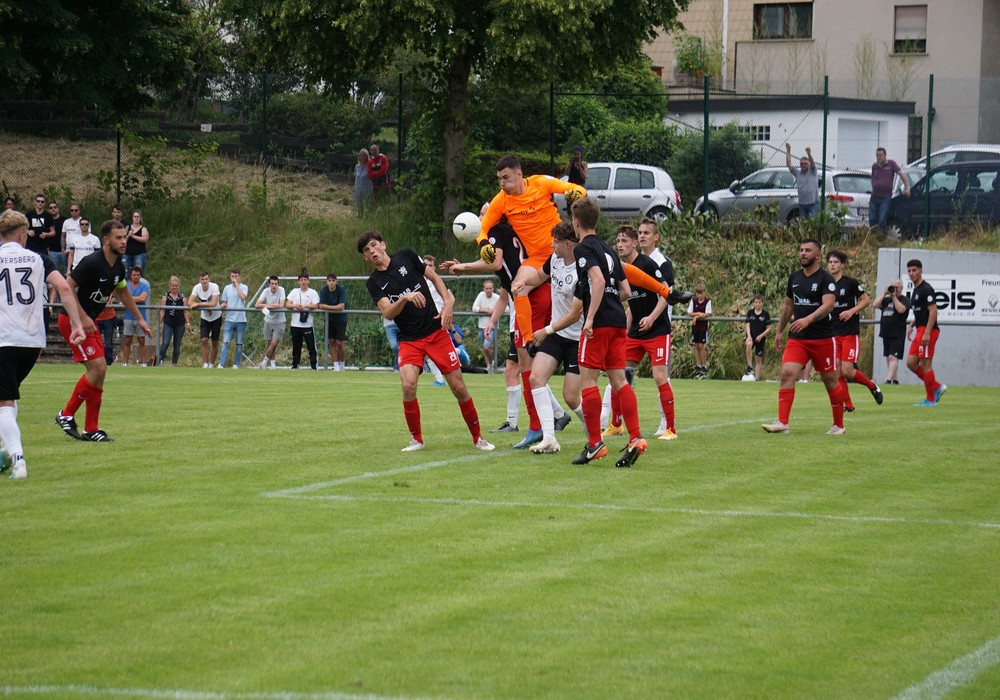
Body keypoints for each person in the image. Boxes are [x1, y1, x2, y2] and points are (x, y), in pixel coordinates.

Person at [357, 230, 494, 452]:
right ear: (364, 257)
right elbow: (388, 312)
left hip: (435, 332)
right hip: (409, 339)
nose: (372, 251)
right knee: (408, 385)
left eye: (374, 245)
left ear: (383, 245)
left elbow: (435, 278)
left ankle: (478, 438)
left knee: (459, 387)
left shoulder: (406, 256)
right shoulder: (374, 282)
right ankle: (417, 440)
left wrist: (447, 304)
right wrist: (405, 298)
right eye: (366, 250)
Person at [1, 211, 86, 478]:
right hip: (32, 341)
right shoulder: (39, 259)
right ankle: (6, 451)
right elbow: (64, 288)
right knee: (8, 396)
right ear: (22, 234)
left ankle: (18, 460)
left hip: (4, 338)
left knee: (4, 401)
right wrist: (77, 324)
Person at [55, 219, 151, 442]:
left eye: (124, 237)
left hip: (88, 322)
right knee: (97, 367)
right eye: (118, 238)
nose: (123, 241)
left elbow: (123, 293)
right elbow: (67, 287)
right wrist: (83, 318)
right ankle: (66, 414)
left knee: (100, 372)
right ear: (106, 240)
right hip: (72, 321)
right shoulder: (92, 262)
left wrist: (140, 318)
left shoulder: (119, 267)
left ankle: (91, 428)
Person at [476, 154, 587, 346]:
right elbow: (482, 229)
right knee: (517, 287)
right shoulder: (501, 200)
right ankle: (529, 341)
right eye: (499, 179)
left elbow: (577, 189)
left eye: (506, 178)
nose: (502, 183)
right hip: (538, 257)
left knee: (599, 275)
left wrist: (576, 194)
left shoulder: (540, 182)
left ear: (519, 174)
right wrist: (484, 244)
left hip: (563, 247)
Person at [571, 197, 647, 467]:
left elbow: (599, 280)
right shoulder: (609, 250)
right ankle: (636, 437)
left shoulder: (583, 248)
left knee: (588, 380)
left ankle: (595, 444)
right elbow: (626, 291)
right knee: (619, 381)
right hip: (616, 321)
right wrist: (610, 303)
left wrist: (590, 316)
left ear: (576, 222)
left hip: (600, 323)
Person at [762, 239, 845, 435]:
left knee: (831, 381)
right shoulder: (794, 277)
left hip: (823, 338)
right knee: (787, 373)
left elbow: (828, 306)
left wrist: (807, 320)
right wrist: (779, 331)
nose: (803, 253)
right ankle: (782, 423)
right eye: (801, 250)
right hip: (798, 338)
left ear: (817, 255)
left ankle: (839, 425)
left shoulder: (826, 279)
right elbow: (788, 305)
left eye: (808, 250)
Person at [519, 221, 588, 454]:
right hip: (557, 334)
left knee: (571, 396)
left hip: (577, 338)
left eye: (555, 242)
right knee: (536, 378)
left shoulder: (582, 271)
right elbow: (539, 277)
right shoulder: (555, 259)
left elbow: (574, 315)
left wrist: (546, 330)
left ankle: (593, 433)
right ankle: (549, 438)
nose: (552, 246)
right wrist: (522, 283)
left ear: (568, 244)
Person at [615, 224, 678, 441]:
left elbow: (666, 293)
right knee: (619, 373)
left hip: (657, 329)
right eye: (618, 241)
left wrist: (651, 317)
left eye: (624, 241)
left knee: (659, 376)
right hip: (636, 332)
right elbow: (629, 299)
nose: (620, 245)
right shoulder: (621, 269)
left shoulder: (648, 264)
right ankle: (616, 425)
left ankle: (670, 428)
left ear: (634, 244)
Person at [826, 249, 883, 411]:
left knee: (847, 371)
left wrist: (851, 311)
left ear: (842, 265)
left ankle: (871, 385)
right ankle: (849, 406)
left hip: (849, 332)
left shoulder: (850, 283)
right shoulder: (826, 285)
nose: (832, 265)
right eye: (830, 262)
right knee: (837, 372)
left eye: (836, 262)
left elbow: (865, 300)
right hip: (833, 333)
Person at [905, 259, 946, 406]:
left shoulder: (926, 289)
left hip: (928, 330)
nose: (911, 273)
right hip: (920, 329)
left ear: (921, 271)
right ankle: (936, 386)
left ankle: (930, 399)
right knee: (911, 363)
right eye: (909, 271)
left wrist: (927, 332)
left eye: (914, 270)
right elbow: (922, 312)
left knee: (926, 364)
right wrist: (912, 324)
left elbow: (933, 311)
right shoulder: (916, 290)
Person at [874, 278, 909, 384]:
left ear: (901, 288)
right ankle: (895, 380)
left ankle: (888, 380)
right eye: (892, 287)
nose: (894, 289)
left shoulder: (904, 299)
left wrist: (894, 297)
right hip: (886, 333)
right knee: (889, 358)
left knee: (893, 357)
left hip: (897, 333)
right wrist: (884, 294)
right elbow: (875, 304)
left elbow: (901, 310)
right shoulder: (886, 300)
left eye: (896, 287)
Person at [286, 270, 319, 370]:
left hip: (307, 325)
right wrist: (295, 306)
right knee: (296, 346)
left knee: (311, 347)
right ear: (298, 282)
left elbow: (316, 305)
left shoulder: (313, 292)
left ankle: (314, 366)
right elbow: (288, 304)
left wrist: (305, 306)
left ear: (308, 281)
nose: (303, 282)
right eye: (301, 280)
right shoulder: (294, 291)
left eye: (305, 280)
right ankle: (295, 365)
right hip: (295, 324)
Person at [870, 147, 910, 230]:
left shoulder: (891, 164)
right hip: (874, 197)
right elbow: (872, 178)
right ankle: (873, 235)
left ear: (885, 155)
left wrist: (906, 187)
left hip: (885, 198)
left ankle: (882, 234)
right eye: (877, 155)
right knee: (872, 219)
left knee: (882, 219)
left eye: (880, 155)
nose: (878, 157)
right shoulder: (874, 166)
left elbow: (901, 174)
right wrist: (874, 185)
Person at [217, 268, 248, 369]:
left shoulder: (244, 287)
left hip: (241, 320)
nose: (234, 278)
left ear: (239, 277)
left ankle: (236, 364)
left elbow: (242, 297)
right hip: (229, 320)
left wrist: (237, 285)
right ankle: (222, 364)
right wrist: (223, 305)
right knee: (226, 342)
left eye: (236, 276)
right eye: (232, 276)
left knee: (239, 344)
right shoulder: (227, 288)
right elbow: (225, 301)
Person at [190, 272, 221, 368]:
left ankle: (211, 364)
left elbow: (213, 303)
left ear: (209, 280)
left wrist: (199, 304)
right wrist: (205, 308)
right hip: (205, 317)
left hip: (216, 317)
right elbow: (190, 302)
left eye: (206, 279)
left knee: (214, 341)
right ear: (199, 280)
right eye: (202, 279)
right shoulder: (197, 288)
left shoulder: (214, 287)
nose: (204, 281)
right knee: (204, 340)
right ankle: (205, 364)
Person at [120, 265, 150, 366]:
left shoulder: (144, 286)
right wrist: (132, 299)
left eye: (137, 275)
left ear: (140, 276)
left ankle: (143, 363)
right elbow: (123, 298)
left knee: (141, 340)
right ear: (131, 276)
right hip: (128, 316)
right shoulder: (126, 286)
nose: (136, 277)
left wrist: (129, 299)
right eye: (134, 275)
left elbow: (143, 298)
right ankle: (125, 363)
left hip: (141, 317)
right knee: (127, 340)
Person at [318, 272, 348, 370]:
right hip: (329, 318)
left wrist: (328, 307)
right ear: (327, 282)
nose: (331, 283)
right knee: (332, 342)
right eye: (329, 281)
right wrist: (335, 307)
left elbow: (341, 306)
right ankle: (336, 366)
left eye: (333, 281)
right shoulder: (324, 289)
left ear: (336, 281)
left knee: (339, 342)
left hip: (341, 319)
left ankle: (342, 364)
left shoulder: (341, 289)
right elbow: (321, 305)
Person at [158, 276, 190, 366]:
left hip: (180, 324)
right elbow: (162, 311)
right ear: (170, 286)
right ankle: (160, 361)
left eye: (176, 285)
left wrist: (188, 323)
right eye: (173, 285)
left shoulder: (183, 298)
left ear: (178, 286)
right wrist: (159, 322)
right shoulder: (165, 297)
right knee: (165, 343)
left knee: (177, 345)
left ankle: (174, 363)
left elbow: (185, 311)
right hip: (168, 323)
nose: (174, 287)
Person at [255, 275, 286, 369]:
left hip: (280, 321)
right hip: (268, 320)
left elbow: (281, 305)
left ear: (278, 284)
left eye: (276, 284)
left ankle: (264, 362)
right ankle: (273, 364)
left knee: (274, 343)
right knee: (270, 343)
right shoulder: (266, 291)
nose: (274, 286)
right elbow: (257, 305)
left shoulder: (281, 290)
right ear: (269, 284)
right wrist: (271, 305)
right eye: (272, 284)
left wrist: (265, 306)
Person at [471, 279, 499, 372]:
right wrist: (486, 310)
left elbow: (506, 308)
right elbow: (474, 308)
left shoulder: (497, 297)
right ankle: (489, 369)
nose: (488, 290)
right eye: (486, 288)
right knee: (485, 348)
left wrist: (494, 311)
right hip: (481, 326)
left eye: (490, 288)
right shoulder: (481, 295)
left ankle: (491, 364)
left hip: (492, 327)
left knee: (487, 347)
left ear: (493, 289)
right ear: (484, 289)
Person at [785, 143, 819, 219]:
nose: (803, 165)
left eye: (805, 163)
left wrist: (809, 154)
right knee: (803, 223)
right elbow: (789, 164)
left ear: (808, 164)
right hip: (802, 205)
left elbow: (813, 164)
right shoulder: (797, 173)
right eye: (801, 163)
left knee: (812, 223)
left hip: (812, 204)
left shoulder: (812, 172)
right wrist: (788, 151)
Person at [744, 294, 772, 381]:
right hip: (751, 336)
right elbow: (747, 325)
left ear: (762, 303)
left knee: (758, 358)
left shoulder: (765, 314)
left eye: (759, 302)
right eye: (756, 302)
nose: (758, 304)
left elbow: (769, 328)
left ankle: (757, 378)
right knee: (748, 344)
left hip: (760, 337)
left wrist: (761, 336)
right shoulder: (750, 313)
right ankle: (749, 366)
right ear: (754, 303)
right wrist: (749, 336)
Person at [688, 284, 712, 378]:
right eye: (698, 293)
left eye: (701, 293)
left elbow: (706, 314)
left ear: (704, 293)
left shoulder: (707, 301)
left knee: (701, 346)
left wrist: (696, 317)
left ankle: (704, 366)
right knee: (696, 346)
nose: (700, 295)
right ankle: (698, 365)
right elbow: (689, 313)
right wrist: (698, 314)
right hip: (695, 327)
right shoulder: (693, 301)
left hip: (703, 327)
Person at [123, 209, 149, 275]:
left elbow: (145, 239)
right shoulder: (127, 228)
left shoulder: (143, 229)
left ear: (140, 218)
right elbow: (123, 240)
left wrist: (133, 236)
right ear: (132, 218)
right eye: (135, 216)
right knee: (126, 273)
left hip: (139, 254)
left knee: (138, 273)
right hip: (127, 254)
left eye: (138, 216)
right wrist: (128, 236)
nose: (136, 218)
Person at [46, 200, 67, 273]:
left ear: (58, 209)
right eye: (51, 208)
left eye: (55, 207)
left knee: (67, 271)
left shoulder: (65, 221)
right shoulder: (47, 221)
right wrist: (47, 249)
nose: (53, 209)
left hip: (64, 250)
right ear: (48, 210)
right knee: (54, 272)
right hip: (52, 251)